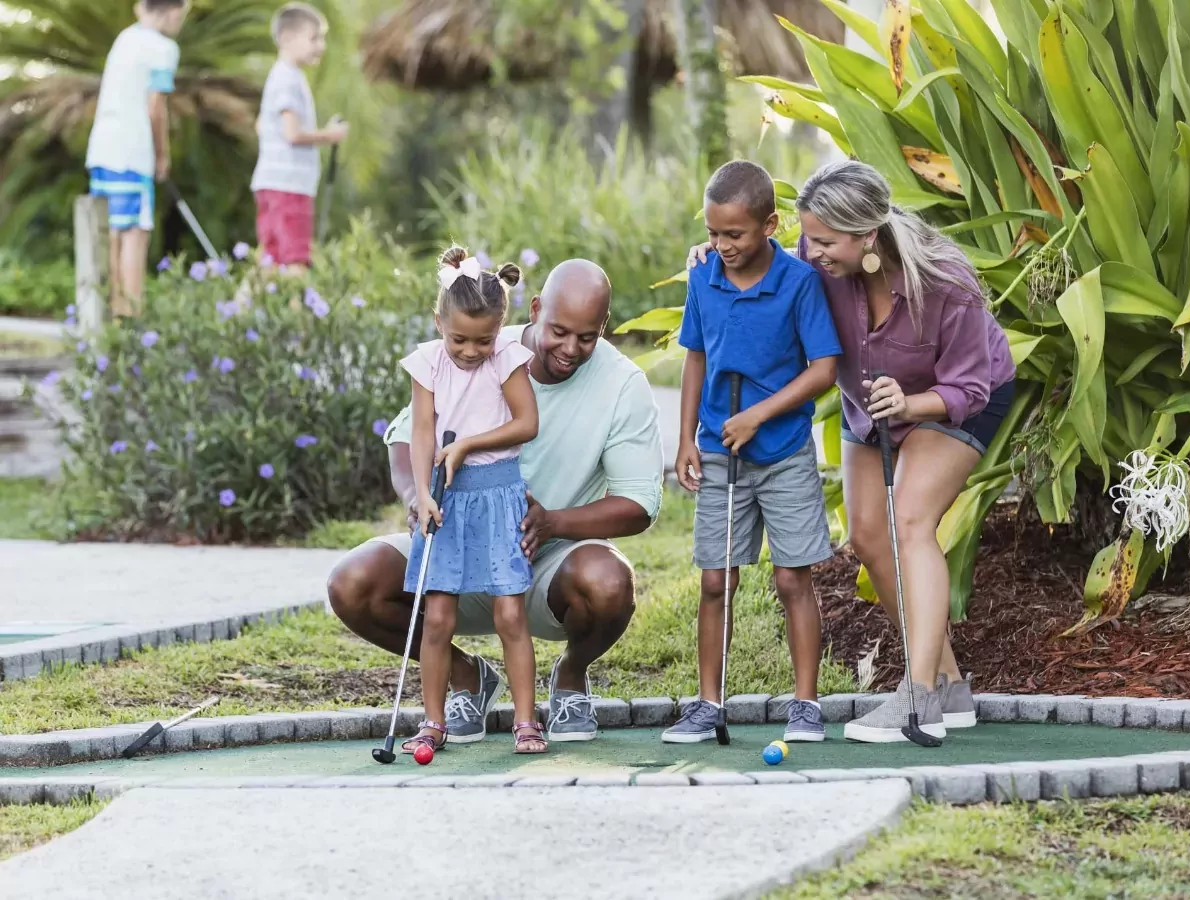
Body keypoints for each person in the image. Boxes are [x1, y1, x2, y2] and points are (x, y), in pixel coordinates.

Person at [688, 159, 1016, 743]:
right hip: (871, 403)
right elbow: (765, 268)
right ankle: (950, 684)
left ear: (867, 236)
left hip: (955, 397)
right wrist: (713, 255)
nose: (810, 252)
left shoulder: (944, 281)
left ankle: (919, 698)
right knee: (867, 536)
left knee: (911, 520)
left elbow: (968, 385)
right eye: (806, 237)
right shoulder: (816, 259)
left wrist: (913, 406)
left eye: (824, 241)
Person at [327, 259, 664, 745]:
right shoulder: (475, 346)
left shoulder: (622, 385)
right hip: (453, 538)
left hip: (544, 563)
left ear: (603, 329)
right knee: (352, 583)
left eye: (587, 338)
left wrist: (551, 523)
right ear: (534, 310)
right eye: (559, 331)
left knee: (608, 581)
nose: (570, 348)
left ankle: (569, 678)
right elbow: (408, 437)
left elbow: (639, 504)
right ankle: (467, 676)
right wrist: (418, 498)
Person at [664, 160, 842, 745]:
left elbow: (824, 370)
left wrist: (760, 414)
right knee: (717, 580)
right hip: (718, 452)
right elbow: (694, 357)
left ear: (770, 225)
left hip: (784, 452)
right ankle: (707, 704)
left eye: (733, 235)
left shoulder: (799, 283)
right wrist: (687, 436)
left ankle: (806, 705)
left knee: (793, 578)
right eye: (713, 234)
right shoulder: (704, 279)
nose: (721, 246)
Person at [398, 246, 544, 756]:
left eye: (482, 339)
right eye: (458, 337)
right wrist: (421, 494)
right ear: (439, 321)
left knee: (510, 614)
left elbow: (527, 423)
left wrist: (465, 444)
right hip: (445, 498)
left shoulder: (505, 358)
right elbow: (421, 432)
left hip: (498, 493)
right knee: (437, 618)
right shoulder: (428, 363)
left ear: (500, 328)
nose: (469, 350)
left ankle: (526, 721)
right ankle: (433, 721)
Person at [85, 0, 189, 317]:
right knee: (134, 234)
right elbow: (155, 106)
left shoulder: (125, 38)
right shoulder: (163, 48)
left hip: (102, 149)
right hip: (132, 152)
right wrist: (162, 155)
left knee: (111, 234)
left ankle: (110, 316)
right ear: (173, 11)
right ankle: (131, 318)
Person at [250, 3, 348, 274]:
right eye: (314, 37)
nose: (321, 45)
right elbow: (291, 133)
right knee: (296, 259)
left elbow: (262, 126)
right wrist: (330, 135)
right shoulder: (289, 79)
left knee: (270, 258)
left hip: (270, 182)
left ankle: (235, 313)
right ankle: (296, 317)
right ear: (287, 38)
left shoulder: (278, 76)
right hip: (290, 185)